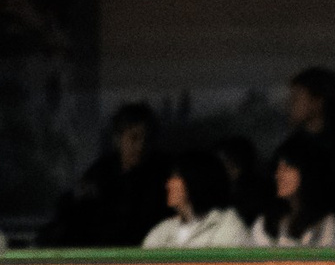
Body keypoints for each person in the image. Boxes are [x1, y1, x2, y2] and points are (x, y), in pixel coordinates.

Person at [46, 103, 170, 247]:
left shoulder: (161, 177)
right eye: (134, 138)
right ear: (118, 140)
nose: (141, 146)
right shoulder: (100, 173)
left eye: (147, 139)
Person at [278, 67, 335, 219]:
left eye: (296, 98)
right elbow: (288, 195)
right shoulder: (290, 149)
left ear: (317, 102)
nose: (289, 105)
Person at [142, 151, 251, 248]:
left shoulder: (228, 227)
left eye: (175, 178)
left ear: (194, 181)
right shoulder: (163, 230)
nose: (168, 185)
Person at [250, 143, 335, 246]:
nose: (278, 175)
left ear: (307, 173)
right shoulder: (264, 222)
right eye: (277, 168)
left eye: (287, 168)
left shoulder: (325, 224)